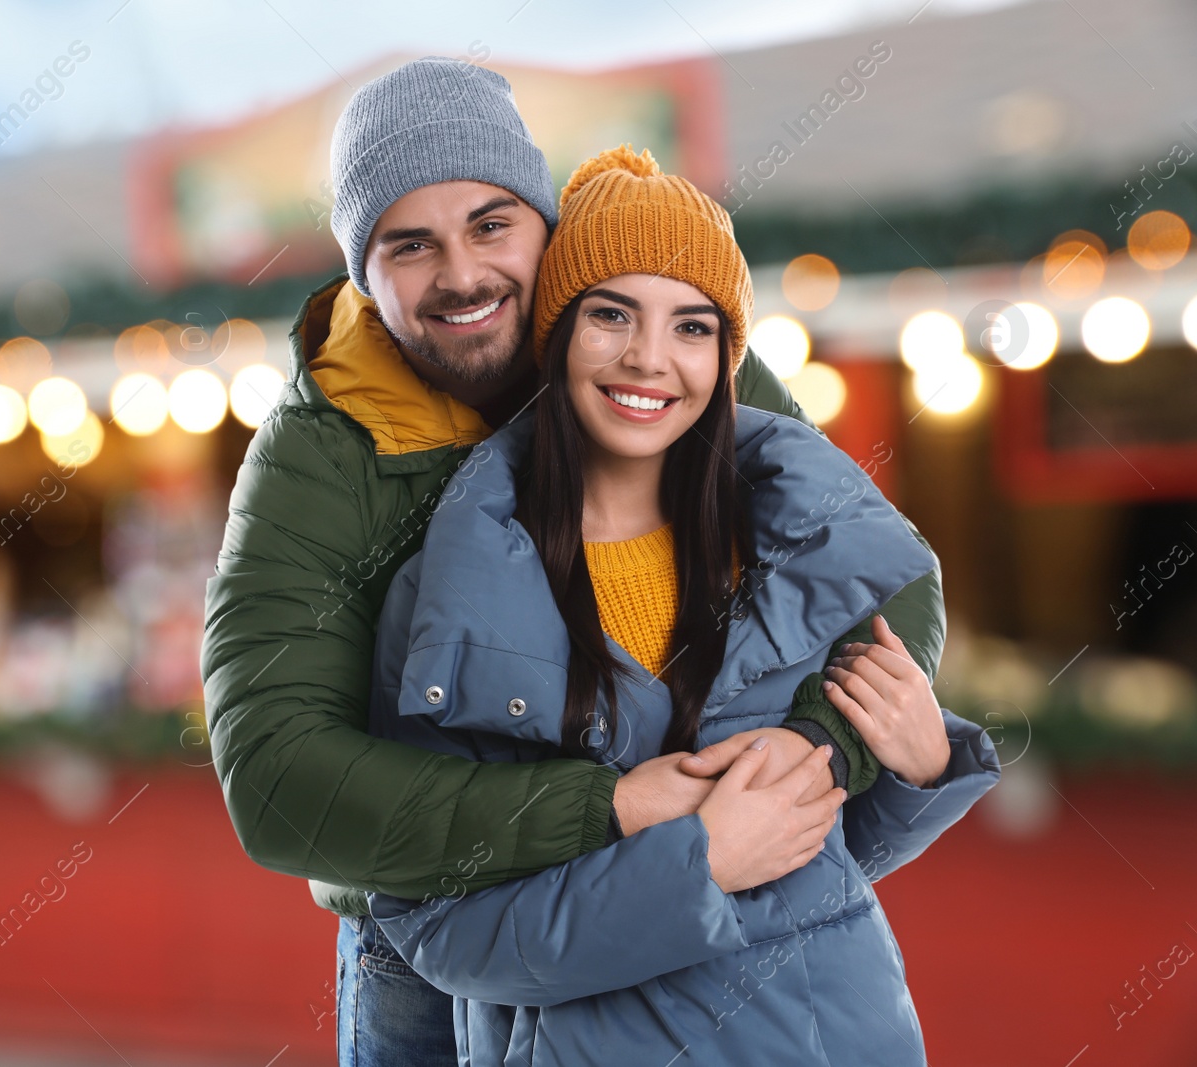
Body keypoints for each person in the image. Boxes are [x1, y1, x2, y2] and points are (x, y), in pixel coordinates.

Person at [199, 58, 948, 1066]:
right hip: (439, 926)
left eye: (491, 223)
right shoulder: (319, 452)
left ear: (544, 226)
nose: (461, 273)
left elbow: (876, 572)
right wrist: (613, 807)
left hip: (724, 892)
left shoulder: (652, 340)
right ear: (361, 275)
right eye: (408, 244)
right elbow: (276, 773)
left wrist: (813, 752)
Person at [362, 146, 1002, 1065]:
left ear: (726, 355)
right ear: (557, 334)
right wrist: (697, 865)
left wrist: (912, 766)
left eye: (693, 326)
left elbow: (816, 855)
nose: (650, 359)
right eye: (611, 314)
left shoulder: (782, 547)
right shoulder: (453, 591)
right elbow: (441, 929)